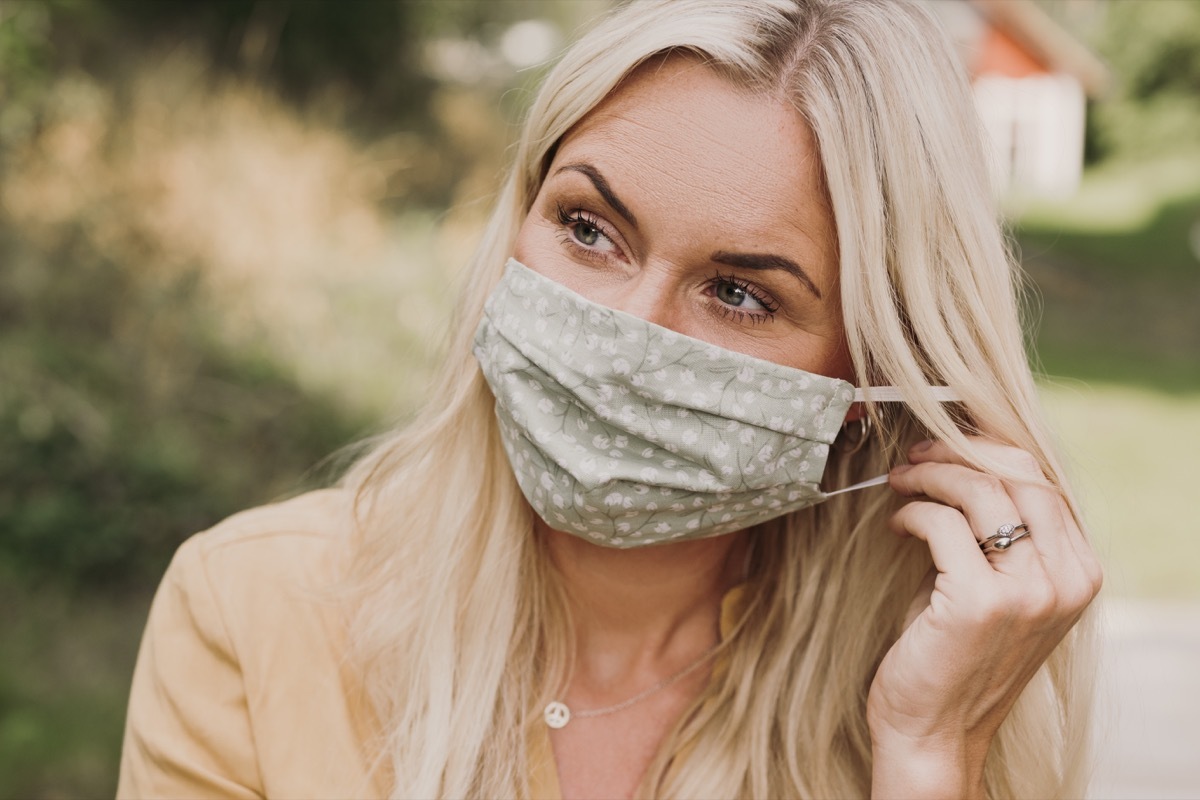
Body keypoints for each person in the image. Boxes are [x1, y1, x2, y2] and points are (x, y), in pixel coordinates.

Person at [117, 0, 1103, 798]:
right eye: (588, 228)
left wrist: (927, 753)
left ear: (866, 388)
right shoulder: (255, 609)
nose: (629, 333)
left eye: (739, 292)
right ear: (519, 219)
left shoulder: (935, 681)